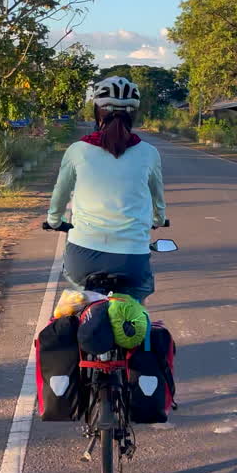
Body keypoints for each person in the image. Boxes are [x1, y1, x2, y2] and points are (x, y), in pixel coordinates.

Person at [47, 76, 167, 303]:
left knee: (79, 307)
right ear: (134, 113)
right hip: (132, 259)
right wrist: (159, 218)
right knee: (136, 310)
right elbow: (158, 200)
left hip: (83, 256)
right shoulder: (149, 153)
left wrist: (54, 220)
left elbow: (60, 196)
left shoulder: (77, 150)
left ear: (97, 112)